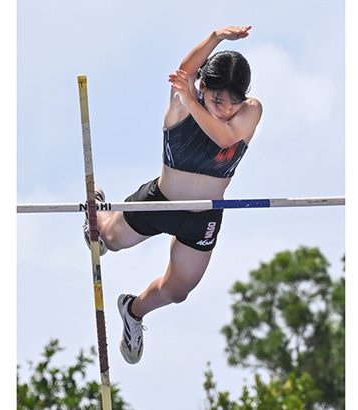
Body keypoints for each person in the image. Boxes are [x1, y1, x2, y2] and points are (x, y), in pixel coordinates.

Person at [84, 25, 262, 364]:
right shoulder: (180, 106)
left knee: (178, 291)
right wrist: (215, 38)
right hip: (162, 201)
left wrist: (195, 100)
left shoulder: (249, 111)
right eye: (217, 99)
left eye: (233, 102)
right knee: (110, 240)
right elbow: (186, 72)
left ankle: (133, 310)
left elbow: (225, 139)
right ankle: (100, 214)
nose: (225, 108)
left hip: (205, 216)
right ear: (202, 85)